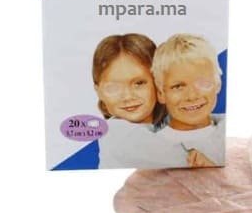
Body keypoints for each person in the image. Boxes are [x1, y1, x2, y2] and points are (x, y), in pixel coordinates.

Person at [151, 33, 225, 167]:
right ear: (161, 94)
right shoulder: (151, 146)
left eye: (202, 83)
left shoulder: (227, 135)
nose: (192, 96)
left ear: (218, 84)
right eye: (178, 86)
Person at [92, 33, 165, 168]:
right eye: (114, 87)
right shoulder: (116, 131)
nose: (128, 96)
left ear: (158, 82)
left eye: (139, 83)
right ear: (99, 91)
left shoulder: (161, 127)